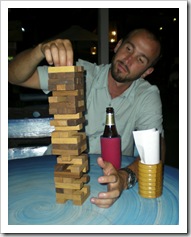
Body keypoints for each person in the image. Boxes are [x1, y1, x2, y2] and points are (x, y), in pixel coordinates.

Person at [9, 28, 166, 208]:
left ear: (147, 71)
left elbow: (156, 148)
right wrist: (39, 50)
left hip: (111, 177)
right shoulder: (80, 72)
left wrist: (124, 177)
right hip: (54, 171)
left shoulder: (146, 96)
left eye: (140, 59)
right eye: (129, 49)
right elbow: (13, 76)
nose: (128, 60)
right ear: (118, 45)